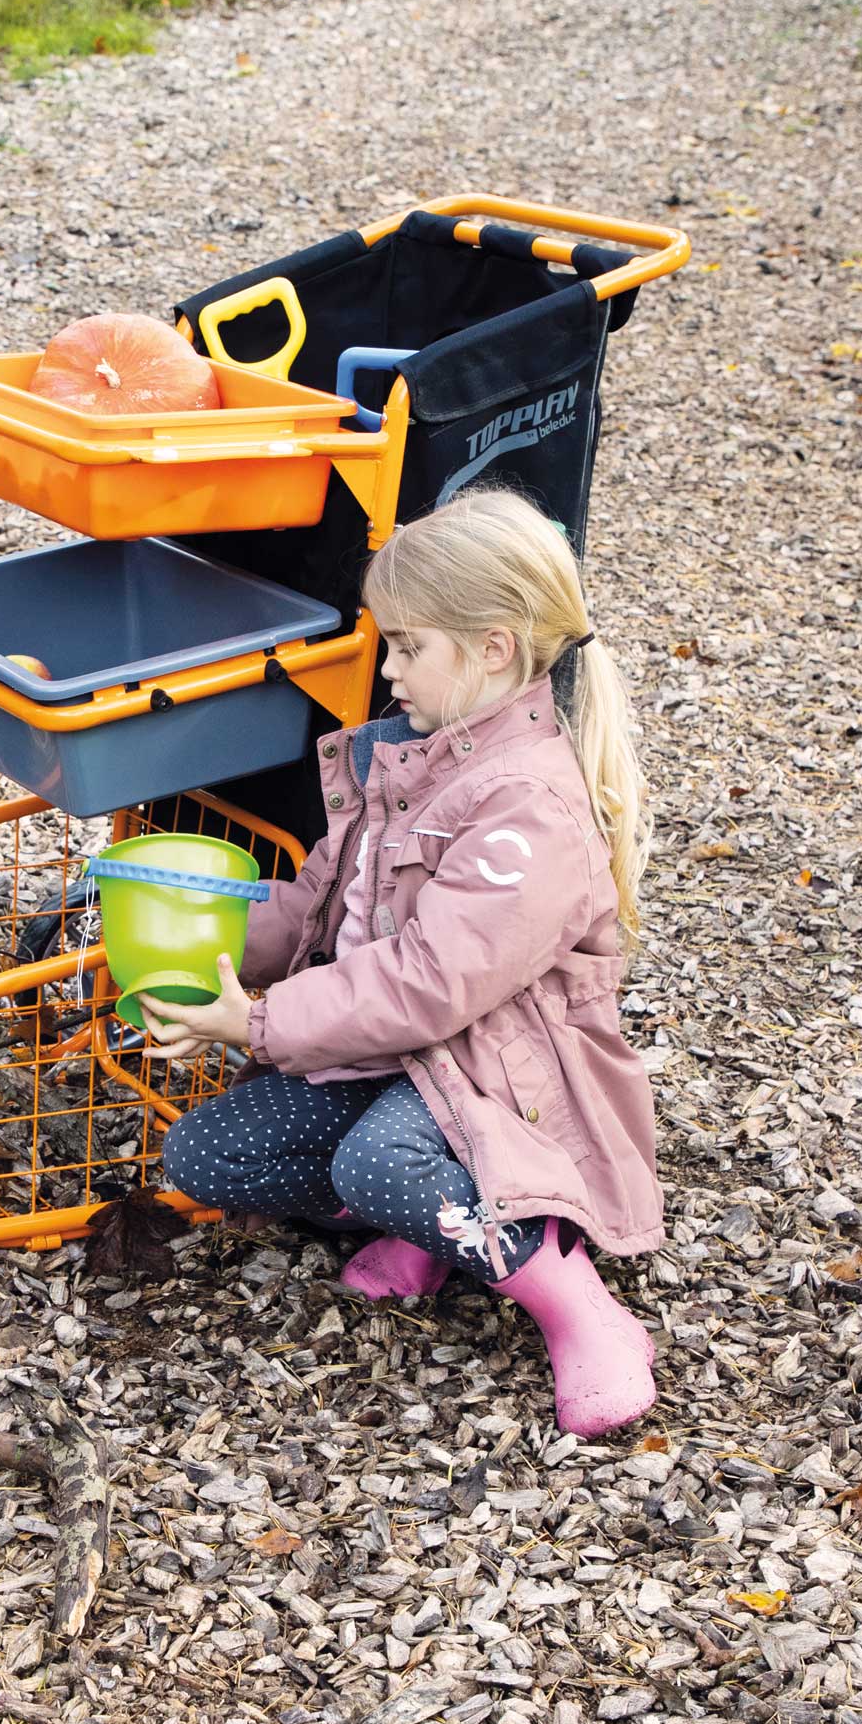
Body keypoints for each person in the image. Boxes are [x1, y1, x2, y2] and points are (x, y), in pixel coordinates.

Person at [146, 489, 664, 1436]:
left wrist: (258, 1024)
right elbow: (318, 906)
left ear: (494, 647)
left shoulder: (526, 807)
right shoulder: (410, 756)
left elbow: (431, 982)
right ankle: (432, 1221)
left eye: (409, 647)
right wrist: (196, 932)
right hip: (402, 1053)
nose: (388, 672)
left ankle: (574, 1301)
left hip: (504, 1076)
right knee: (207, 1153)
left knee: (378, 1156)